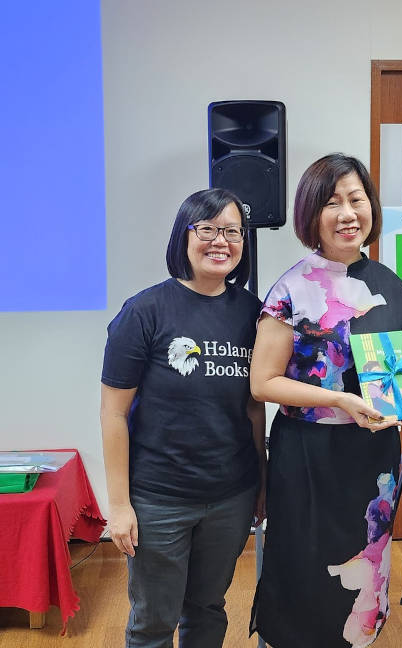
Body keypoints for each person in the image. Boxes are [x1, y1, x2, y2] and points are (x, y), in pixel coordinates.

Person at [248, 153, 402, 648]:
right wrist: (339, 399)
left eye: (356, 200)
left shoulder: (390, 284)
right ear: (311, 214)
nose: (347, 214)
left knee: (367, 563)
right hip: (308, 454)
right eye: (332, 202)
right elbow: (263, 383)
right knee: (305, 565)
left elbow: (395, 368)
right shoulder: (291, 287)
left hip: (373, 456)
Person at [100, 188, 266, 647]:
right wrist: (119, 505)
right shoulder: (145, 311)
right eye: (208, 229)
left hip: (231, 495)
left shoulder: (253, 314)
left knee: (207, 610)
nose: (221, 241)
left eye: (233, 231)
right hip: (159, 499)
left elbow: (254, 407)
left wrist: (262, 481)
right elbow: (113, 413)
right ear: (184, 236)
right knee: (154, 623)